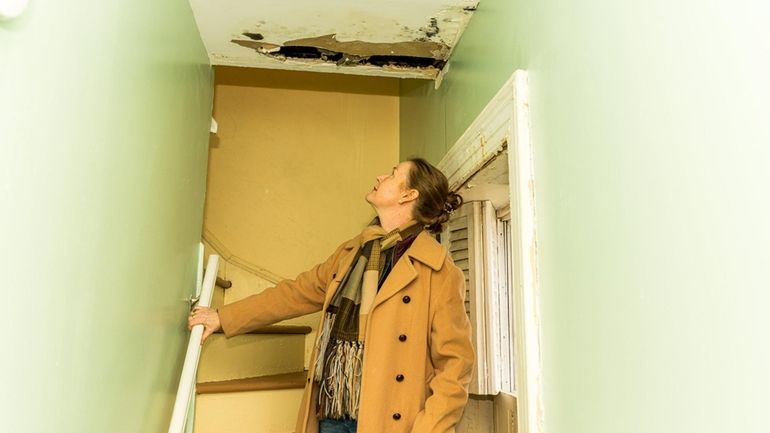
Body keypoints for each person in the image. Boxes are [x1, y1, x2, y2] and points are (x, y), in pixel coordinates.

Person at [188, 158, 474, 433]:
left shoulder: (439, 271)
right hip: (335, 406)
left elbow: (455, 365)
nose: (380, 177)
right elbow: (297, 292)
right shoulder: (352, 252)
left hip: (393, 421)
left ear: (408, 195)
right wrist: (222, 317)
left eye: (392, 173)